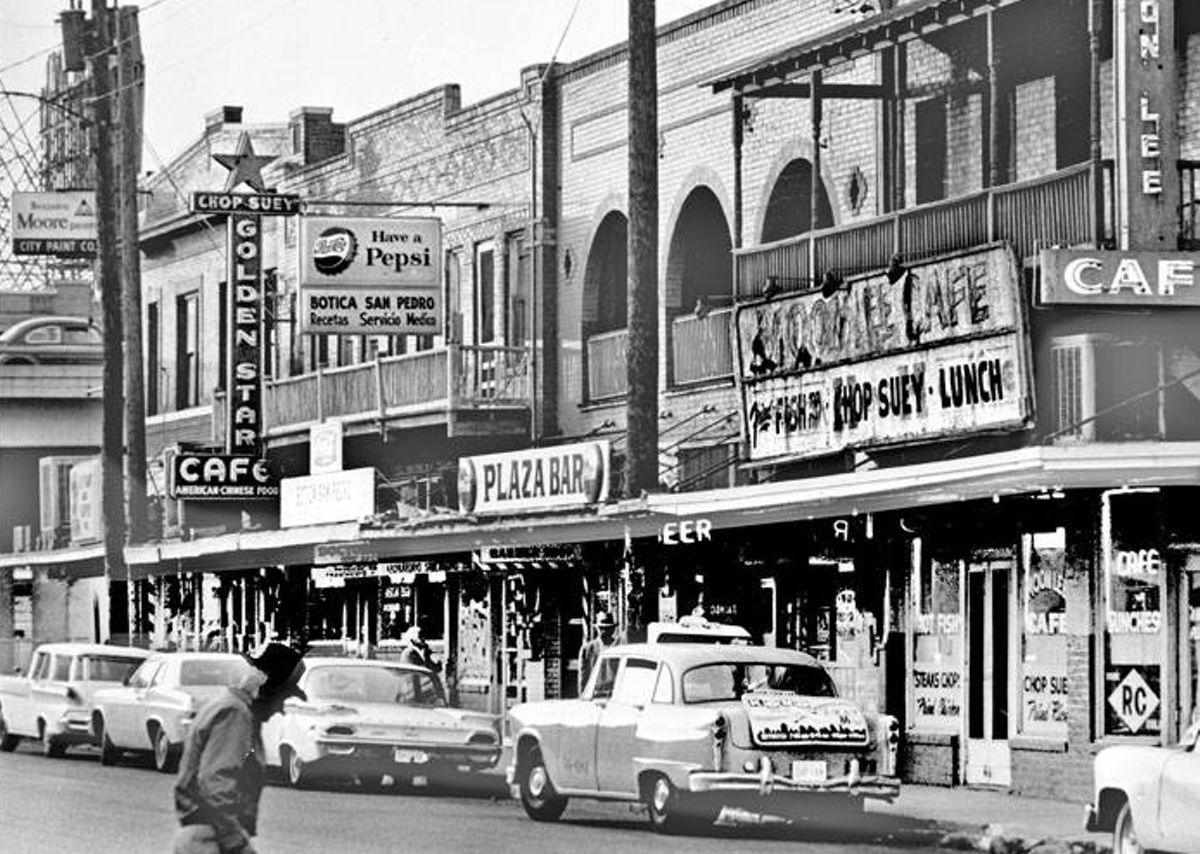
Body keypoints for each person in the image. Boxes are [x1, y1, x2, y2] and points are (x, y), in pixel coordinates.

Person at [172, 642, 306, 854]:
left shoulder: (230, 707)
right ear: (265, 690)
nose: (281, 709)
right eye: (282, 698)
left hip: (207, 836)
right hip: (212, 839)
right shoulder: (236, 714)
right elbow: (216, 783)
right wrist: (236, 843)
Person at [578, 611, 618, 692]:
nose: (604, 631)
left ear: (613, 629)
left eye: (608, 628)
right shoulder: (587, 649)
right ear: (596, 628)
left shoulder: (619, 647)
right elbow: (583, 678)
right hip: (594, 694)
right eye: (601, 628)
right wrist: (583, 698)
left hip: (614, 695)